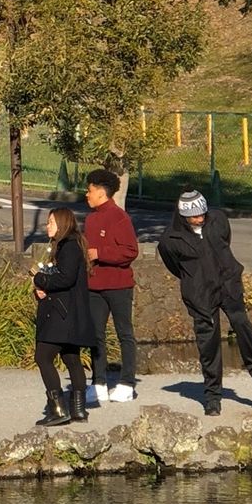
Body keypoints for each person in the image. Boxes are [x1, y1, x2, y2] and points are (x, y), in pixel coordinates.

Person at [157, 189, 252, 416]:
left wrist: (227, 270)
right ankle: (212, 397)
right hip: (200, 294)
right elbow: (174, 266)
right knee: (208, 344)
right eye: (194, 216)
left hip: (228, 283)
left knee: (242, 324)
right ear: (183, 216)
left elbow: (225, 241)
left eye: (202, 214)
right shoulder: (170, 240)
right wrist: (194, 279)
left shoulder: (218, 219)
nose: (200, 218)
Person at [32, 206, 94, 427]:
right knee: (71, 357)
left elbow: (65, 278)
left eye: (50, 222)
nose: (47, 226)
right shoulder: (72, 245)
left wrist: (40, 279)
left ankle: (58, 409)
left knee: (43, 356)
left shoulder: (68, 246)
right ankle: (78, 409)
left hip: (62, 313)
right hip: (70, 312)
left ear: (62, 223)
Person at [83, 167, 140, 405]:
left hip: (118, 286)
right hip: (94, 285)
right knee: (95, 335)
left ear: (101, 192)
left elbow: (130, 251)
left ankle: (127, 383)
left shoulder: (119, 217)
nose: (86, 194)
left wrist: (100, 253)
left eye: (90, 190)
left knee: (124, 333)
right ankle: (99, 382)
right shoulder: (90, 218)